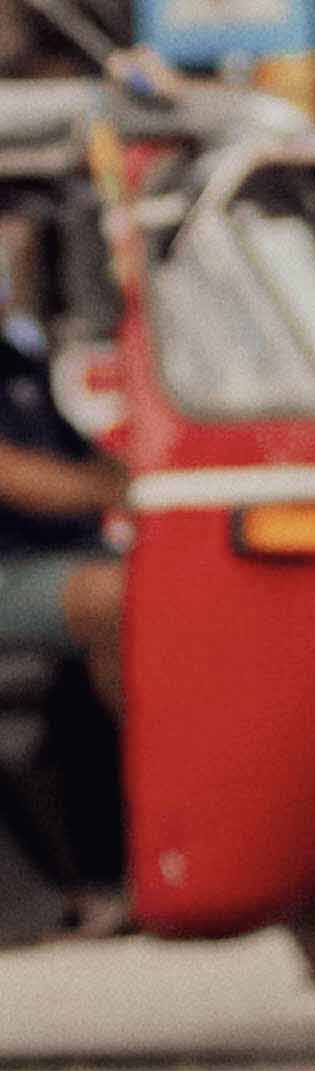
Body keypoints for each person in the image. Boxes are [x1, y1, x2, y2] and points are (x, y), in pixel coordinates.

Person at [0, 236, 122, 717]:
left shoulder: (18, 362)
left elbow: (84, 453)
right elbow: (15, 477)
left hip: (65, 549)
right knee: (119, 596)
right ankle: (162, 768)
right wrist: (117, 489)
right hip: (10, 569)